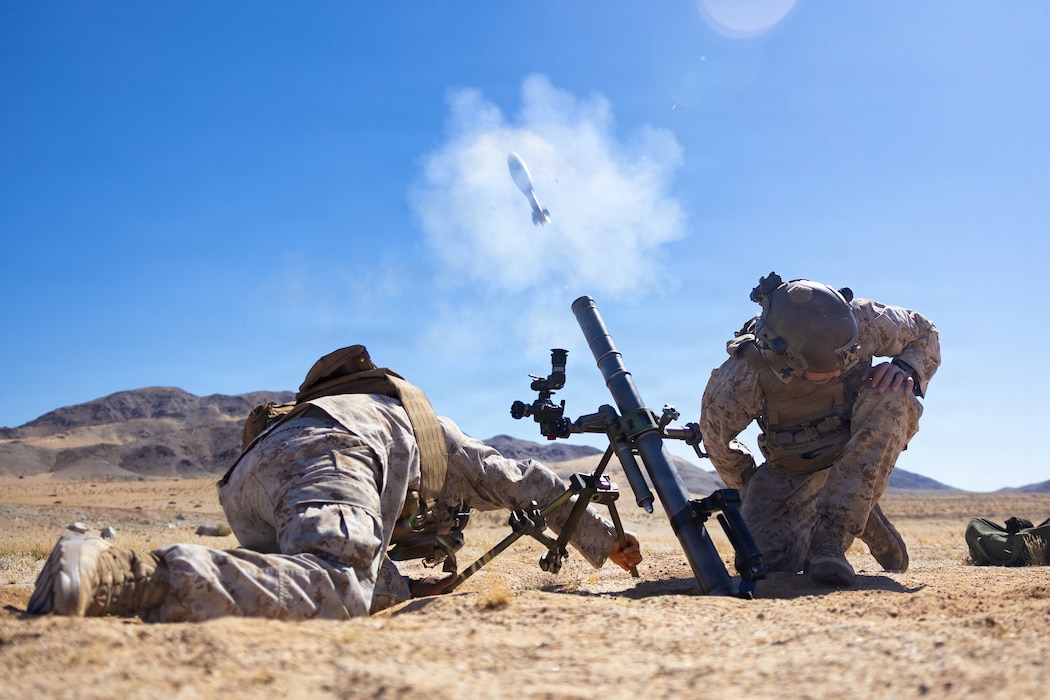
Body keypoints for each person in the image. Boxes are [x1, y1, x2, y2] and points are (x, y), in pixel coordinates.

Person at [27, 346, 642, 621]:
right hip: (334, 452)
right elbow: (526, 481)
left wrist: (402, 585)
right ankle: (121, 576)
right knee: (337, 587)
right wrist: (602, 540)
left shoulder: (345, 416)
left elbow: (347, 552)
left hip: (247, 481)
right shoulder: (429, 433)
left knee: (298, 583)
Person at [700, 272, 939, 586]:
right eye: (823, 369)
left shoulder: (864, 320)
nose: (838, 369)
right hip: (792, 465)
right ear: (784, 360)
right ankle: (860, 507)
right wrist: (751, 486)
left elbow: (925, 333)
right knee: (764, 563)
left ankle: (836, 528)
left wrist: (905, 367)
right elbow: (717, 443)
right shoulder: (741, 379)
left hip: (853, 440)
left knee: (895, 395)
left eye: (845, 357)